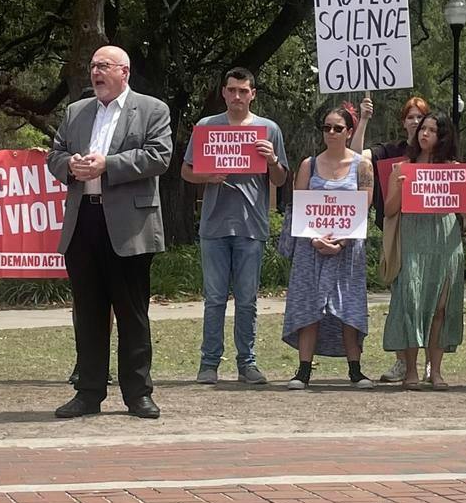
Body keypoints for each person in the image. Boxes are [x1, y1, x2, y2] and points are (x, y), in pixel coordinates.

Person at [47, 45, 173, 419]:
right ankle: (88, 393)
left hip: (130, 226)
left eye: (103, 66)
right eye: (92, 66)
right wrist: (69, 164)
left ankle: (138, 395)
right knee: (87, 312)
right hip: (83, 221)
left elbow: (159, 156)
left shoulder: (152, 109)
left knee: (132, 313)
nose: (95, 73)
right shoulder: (76, 112)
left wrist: (108, 165)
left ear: (124, 72)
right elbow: (54, 155)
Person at [183, 67, 290, 386]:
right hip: (214, 227)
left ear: (253, 94)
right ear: (224, 92)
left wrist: (272, 160)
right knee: (214, 299)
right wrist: (207, 177)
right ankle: (209, 363)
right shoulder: (206, 127)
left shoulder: (268, 130)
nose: (237, 96)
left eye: (244, 91)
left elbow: (281, 180)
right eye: (232, 90)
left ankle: (247, 363)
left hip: (251, 227)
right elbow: (186, 171)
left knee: (247, 299)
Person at [280, 102, 374, 389]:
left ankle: (355, 370)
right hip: (312, 248)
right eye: (326, 128)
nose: (331, 133)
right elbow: (300, 205)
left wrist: (342, 241)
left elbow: (365, 205)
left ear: (349, 132)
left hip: (348, 249)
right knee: (310, 305)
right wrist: (314, 238)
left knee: (349, 306)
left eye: (338, 128)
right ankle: (304, 370)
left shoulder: (363, 166)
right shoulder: (309, 165)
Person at [383, 110, 466, 389]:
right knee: (412, 304)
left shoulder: (454, 169)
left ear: (442, 136)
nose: (424, 134)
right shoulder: (403, 167)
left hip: (446, 241)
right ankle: (410, 370)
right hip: (412, 241)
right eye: (423, 128)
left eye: (432, 130)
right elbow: (388, 211)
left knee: (440, 308)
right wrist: (398, 188)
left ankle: (435, 370)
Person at [357, 93, 431, 383]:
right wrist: (363, 119)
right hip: (397, 229)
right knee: (403, 296)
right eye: (410, 117)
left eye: (420, 117)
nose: (415, 122)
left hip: (428, 232)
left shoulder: (437, 154)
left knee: (429, 297)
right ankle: (403, 361)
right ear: (403, 123)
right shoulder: (391, 151)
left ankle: (427, 362)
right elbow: (357, 155)